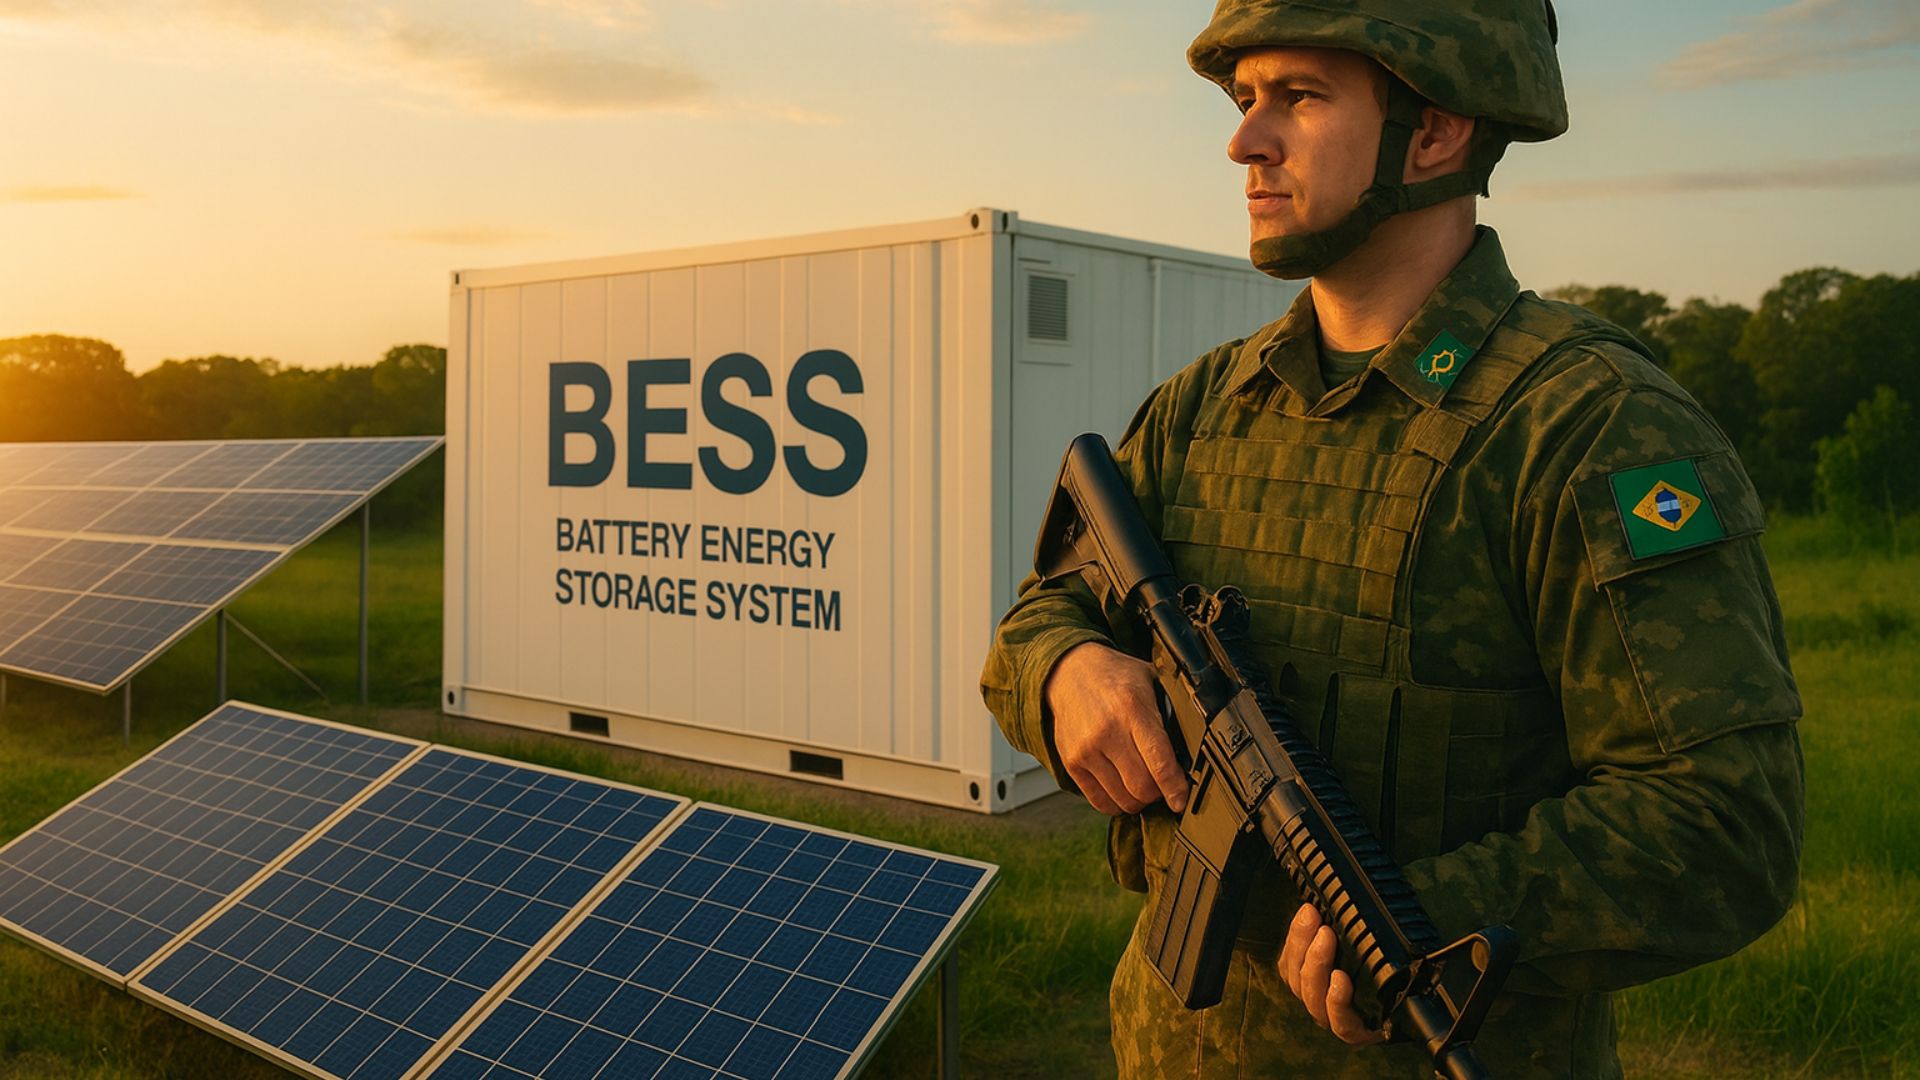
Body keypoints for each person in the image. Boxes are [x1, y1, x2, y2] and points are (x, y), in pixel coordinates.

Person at [978, 2, 1805, 1077]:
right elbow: (1043, 611)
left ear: (1438, 129)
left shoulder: (1592, 429)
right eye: (1246, 100)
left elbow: (1725, 825)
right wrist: (1064, 671)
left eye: (1302, 97)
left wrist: (1434, 918)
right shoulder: (1205, 408)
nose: (1245, 141)